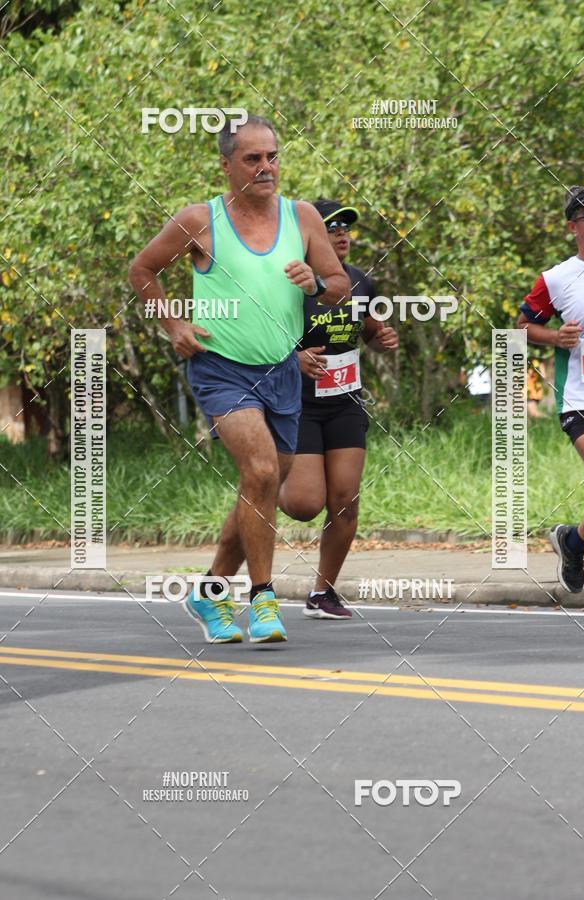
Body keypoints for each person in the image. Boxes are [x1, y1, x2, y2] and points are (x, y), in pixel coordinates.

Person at [129, 116, 351, 642]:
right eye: (252, 158)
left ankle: (207, 596)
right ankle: (264, 600)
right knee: (259, 470)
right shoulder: (198, 220)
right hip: (221, 367)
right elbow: (142, 270)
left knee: (262, 486)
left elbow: (341, 284)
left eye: (272, 156)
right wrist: (173, 324)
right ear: (227, 165)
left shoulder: (301, 219)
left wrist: (317, 281)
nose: (265, 167)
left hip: (282, 372)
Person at [279, 199, 398, 618]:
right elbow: (259, 341)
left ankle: (322, 593)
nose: (342, 234)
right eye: (332, 228)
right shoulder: (290, 282)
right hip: (299, 404)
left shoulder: (361, 282)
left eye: (346, 227)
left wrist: (380, 338)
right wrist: (293, 360)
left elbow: (366, 329)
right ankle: (260, 483)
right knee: (304, 504)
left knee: (345, 499)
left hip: (346, 400)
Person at [517, 184, 584, 593]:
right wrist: (555, 338)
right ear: (573, 227)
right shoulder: (557, 278)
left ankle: (573, 540)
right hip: (583, 399)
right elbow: (521, 326)